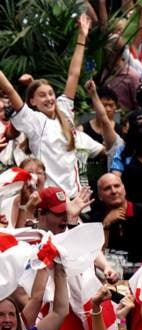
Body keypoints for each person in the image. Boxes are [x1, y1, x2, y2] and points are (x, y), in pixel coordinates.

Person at [0, 15, 92, 196]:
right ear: (32, 101)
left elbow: (74, 74)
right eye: (42, 95)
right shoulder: (34, 121)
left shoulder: (64, 109)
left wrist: (82, 36)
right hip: (50, 198)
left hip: (75, 197)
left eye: (51, 93)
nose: (49, 98)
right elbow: (10, 90)